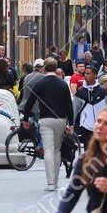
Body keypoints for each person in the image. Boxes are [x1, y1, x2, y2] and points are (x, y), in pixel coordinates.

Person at [20, 58, 75, 192]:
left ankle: (50, 183)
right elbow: (68, 104)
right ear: (56, 68)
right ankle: (55, 181)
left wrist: (25, 119)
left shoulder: (40, 83)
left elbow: (29, 102)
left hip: (45, 119)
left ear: (44, 67)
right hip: (60, 119)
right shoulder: (62, 84)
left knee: (48, 149)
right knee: (56, 149)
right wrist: (71, 123)